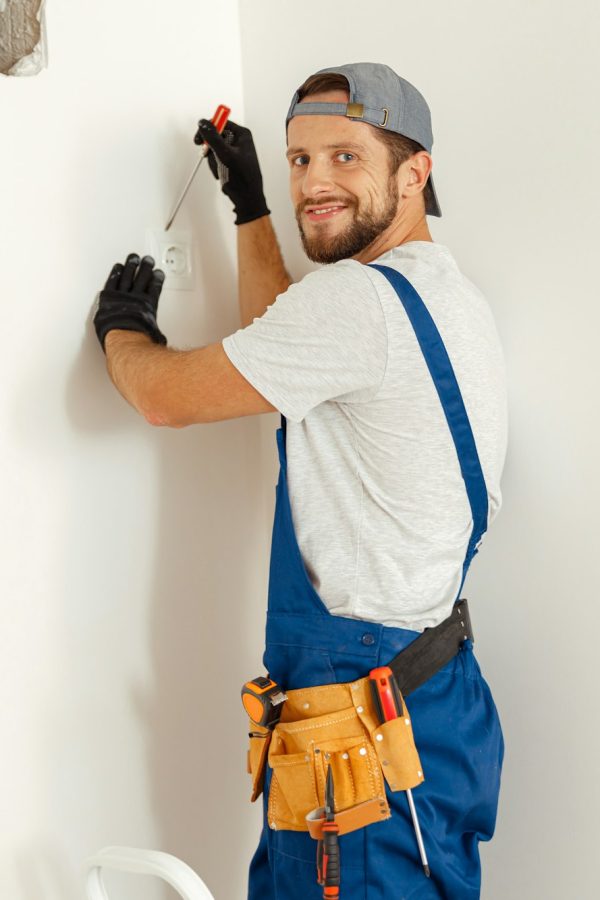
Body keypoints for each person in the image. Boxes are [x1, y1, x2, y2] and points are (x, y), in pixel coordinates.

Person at [94, 63, 507, 899]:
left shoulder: (356, 304)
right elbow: (283, 346)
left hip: (354, 723)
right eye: (296, 161)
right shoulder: (446, 296)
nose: (313, 183)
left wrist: (123, 334)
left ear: (414, 172)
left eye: (345, 158)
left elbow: (166, 400)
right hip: (434, 699)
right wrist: (248, 207)